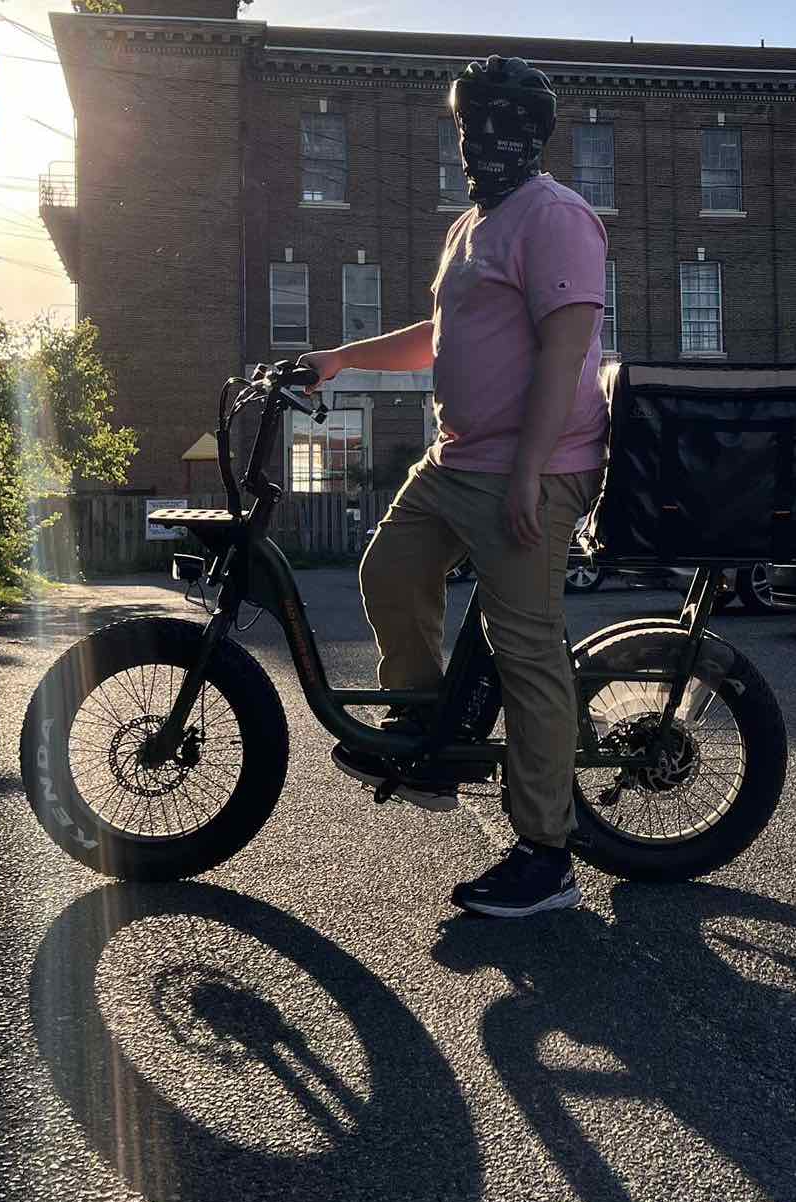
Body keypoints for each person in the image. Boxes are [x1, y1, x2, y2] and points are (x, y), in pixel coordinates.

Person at [300, 55, 608, 920]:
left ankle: (546, 856)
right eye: (472, 125)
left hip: (534, 469)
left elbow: (563, 352)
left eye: (503, 126)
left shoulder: (557, 218)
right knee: (388, 571)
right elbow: (439, 338)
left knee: (527, 652)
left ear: (533, 136)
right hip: (457, 459)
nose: (483, 141)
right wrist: (341, 358)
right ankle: (428, 732)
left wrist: (527, 471)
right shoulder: (470, 226)